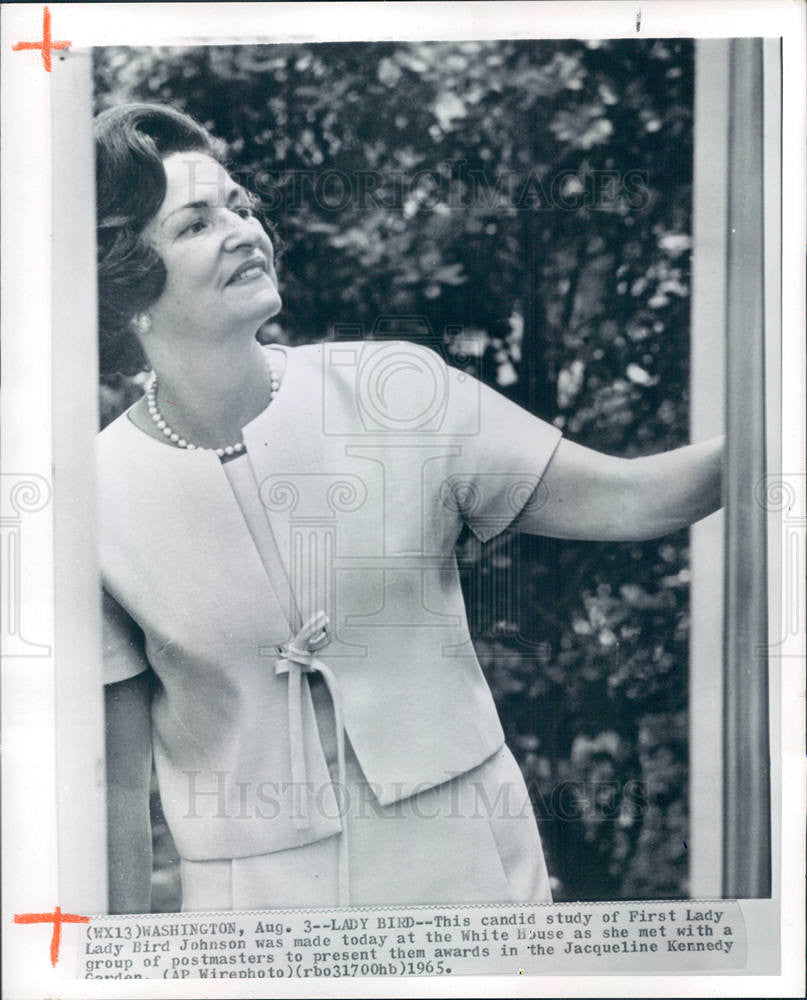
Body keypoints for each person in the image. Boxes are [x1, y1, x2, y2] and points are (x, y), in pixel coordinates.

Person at [97, 103, 723, 914]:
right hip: (252, 906)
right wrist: (108, 965)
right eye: (196, 224)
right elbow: (112, 784)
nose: (243, 230)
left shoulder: (397, 389)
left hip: (469, 867)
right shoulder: (94, 493)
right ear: (129, 290)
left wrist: (778, 424)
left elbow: (638, 501)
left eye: (242, 206)